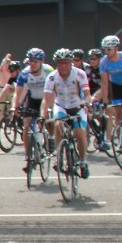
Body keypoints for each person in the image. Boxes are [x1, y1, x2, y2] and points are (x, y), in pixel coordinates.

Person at [42, 48, 91, 179]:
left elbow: (87, 94)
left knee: (79, 133)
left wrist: (86, 103)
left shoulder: (79, 74)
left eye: (66, 63)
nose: (63, 66)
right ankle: (59, 157)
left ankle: (83, 162)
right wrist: (44, 115)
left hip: (77, 106)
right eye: (60, 63)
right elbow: (47, 100)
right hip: (61, 106)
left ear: (71, 63)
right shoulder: (52, 77)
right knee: (58, 124)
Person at [13, 48, 55, 171]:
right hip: (33, 100)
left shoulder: (49, 71)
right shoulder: (24, 74)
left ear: (42, 61)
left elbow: (55, 89)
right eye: (30, 61)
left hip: (47, 98)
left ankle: (51, 137)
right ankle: (28, 158)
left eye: (35, 61)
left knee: (49, 119)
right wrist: (15, 107)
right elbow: (18, 93)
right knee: (26, 127)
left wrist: (51, 106)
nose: (32, 64)